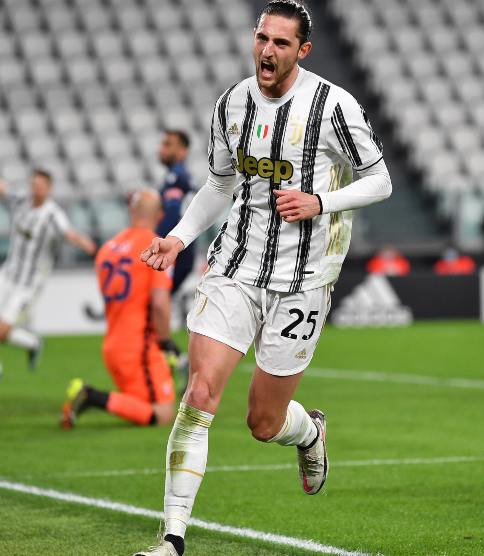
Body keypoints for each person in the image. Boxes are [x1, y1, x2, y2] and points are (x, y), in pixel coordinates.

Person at [135, 2, 392, 554]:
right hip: (234, 265)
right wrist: (179, 236)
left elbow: (380, 181)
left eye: (280, 43)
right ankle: (172, 539)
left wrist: (320, 200)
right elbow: (220, 186)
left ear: (303, 50)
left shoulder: (332, 106)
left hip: (304, 278)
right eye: (261, 38)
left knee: (263, 420)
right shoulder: (231, 104)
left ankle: (310, 432)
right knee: (199, 394)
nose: (267, 51)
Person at [60, 189, 176, 428]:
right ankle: (89, 395)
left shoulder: (107, 249)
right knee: (163, 414)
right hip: (139, 347)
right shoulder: (154, 246)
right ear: (160, 214)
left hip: (113, 343)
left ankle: (89, 396)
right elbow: (160, 303)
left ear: (131, 212)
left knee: (139, 406)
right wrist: (165, 342)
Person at [0, 170, 96, 369]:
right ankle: (33, 343)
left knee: (3, 330)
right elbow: (4, 190)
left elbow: (69, 233)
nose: (37, 190)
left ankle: (32, 344)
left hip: (27, 285)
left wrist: (86, 244)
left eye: (41, 187)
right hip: (7, 273)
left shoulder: (53, 214)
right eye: (34, 185)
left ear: (49, 189)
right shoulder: (21, 200)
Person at [157, 130, 195, 296]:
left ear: (182, 151)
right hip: (184, 246)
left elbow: (173, 214)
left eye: (168, 144)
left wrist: (157, 239)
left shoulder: (176, 176)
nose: (162, 149)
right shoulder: (182, 174)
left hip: (175, 249)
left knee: (157, 298)